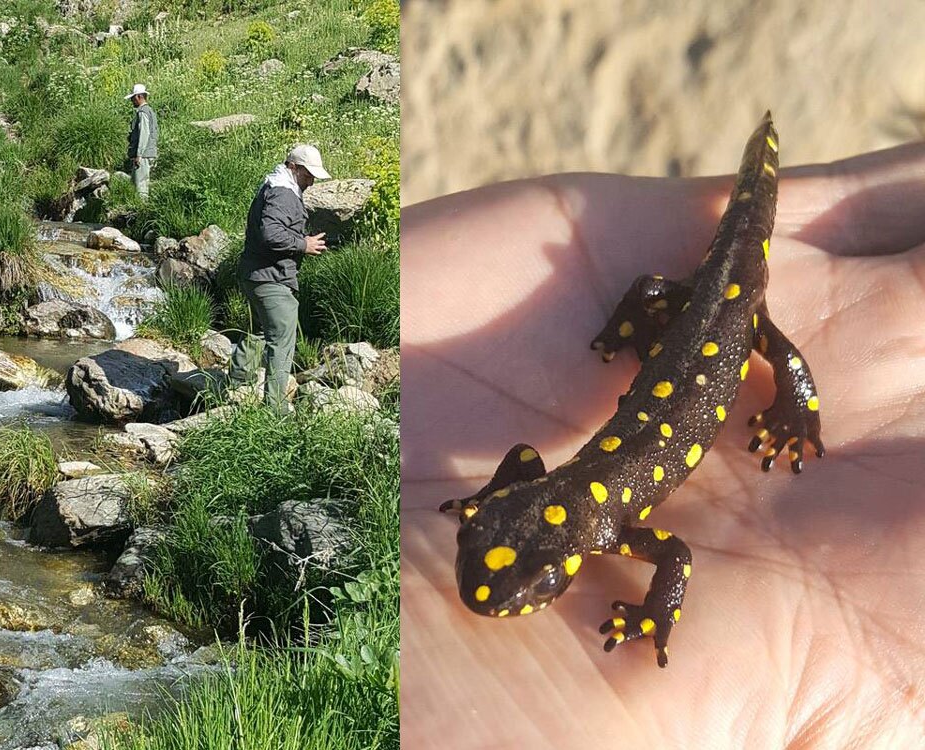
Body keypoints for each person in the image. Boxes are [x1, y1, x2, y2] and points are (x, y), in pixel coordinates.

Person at [400, 143, 925, 748]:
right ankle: (659, 312)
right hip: (697, 323)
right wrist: (654, 611)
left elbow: (655, 542)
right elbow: (661, 546)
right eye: (542, 581)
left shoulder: (587, 517)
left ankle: (799, 406)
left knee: (741, 331)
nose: (500, 586)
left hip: (728, 318)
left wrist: (794, 405)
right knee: (664, 292)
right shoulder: (569, 505)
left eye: (545, 583)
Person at [227, 144, 331, 412]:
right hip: (272, 279)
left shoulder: (272, 185)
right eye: (308, 175)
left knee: (260, 329)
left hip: (255, 275)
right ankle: (275, 409)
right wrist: (303, 244)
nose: (311, 181)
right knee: (282, 340)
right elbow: (270, 234)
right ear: (293, 167)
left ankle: (236, 384)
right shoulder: (284, 194)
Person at [125, 83, 158, 200]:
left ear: (139, 96)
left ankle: (141, 211)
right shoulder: (150, 111)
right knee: (142, 184)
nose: (132, 101)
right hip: (150, 152)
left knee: (140, 186)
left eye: (133, 98)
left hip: (143, 155)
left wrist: (139, 154)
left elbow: (144, 134)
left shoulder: (143, 112)